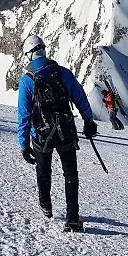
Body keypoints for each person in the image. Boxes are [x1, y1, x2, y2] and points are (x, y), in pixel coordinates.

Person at [16, 34, 96, 232]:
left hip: (41, 136)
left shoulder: (27, 80)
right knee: (70, 173)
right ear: (44, 50)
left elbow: (24, 115)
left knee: (43, 172)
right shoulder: (63, 73)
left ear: (28, 55)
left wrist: (23, 145)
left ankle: (46, 206)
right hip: (66, 131)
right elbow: (80, 98)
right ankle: (73, 217)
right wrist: (88, 121)